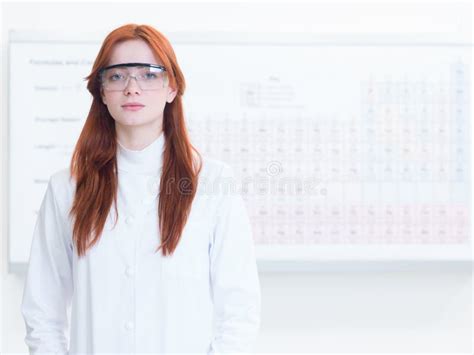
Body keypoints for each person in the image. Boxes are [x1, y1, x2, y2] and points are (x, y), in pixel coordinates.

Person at [20, 23, 261, 355]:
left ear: (172, 87)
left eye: (149, 75)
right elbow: (42, 313)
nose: (132, 88)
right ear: (102, 91)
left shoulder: (214, 184)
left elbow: (239, 313)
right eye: (118, 76)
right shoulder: (67, 188)